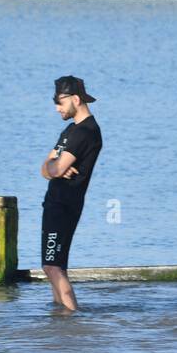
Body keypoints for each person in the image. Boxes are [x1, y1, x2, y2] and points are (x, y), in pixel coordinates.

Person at [38, 75, 104, 312]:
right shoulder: (70, 130)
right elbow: (45, 168)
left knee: (52, 267)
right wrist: (54, 168)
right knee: (54, 267)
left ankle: (71, 317)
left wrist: (55, 168)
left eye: (60, 102)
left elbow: (54, 167)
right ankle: (61, 320)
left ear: (75, 99)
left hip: (64, 205)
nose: (57, 108)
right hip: (56, 204)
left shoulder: (85, 132)